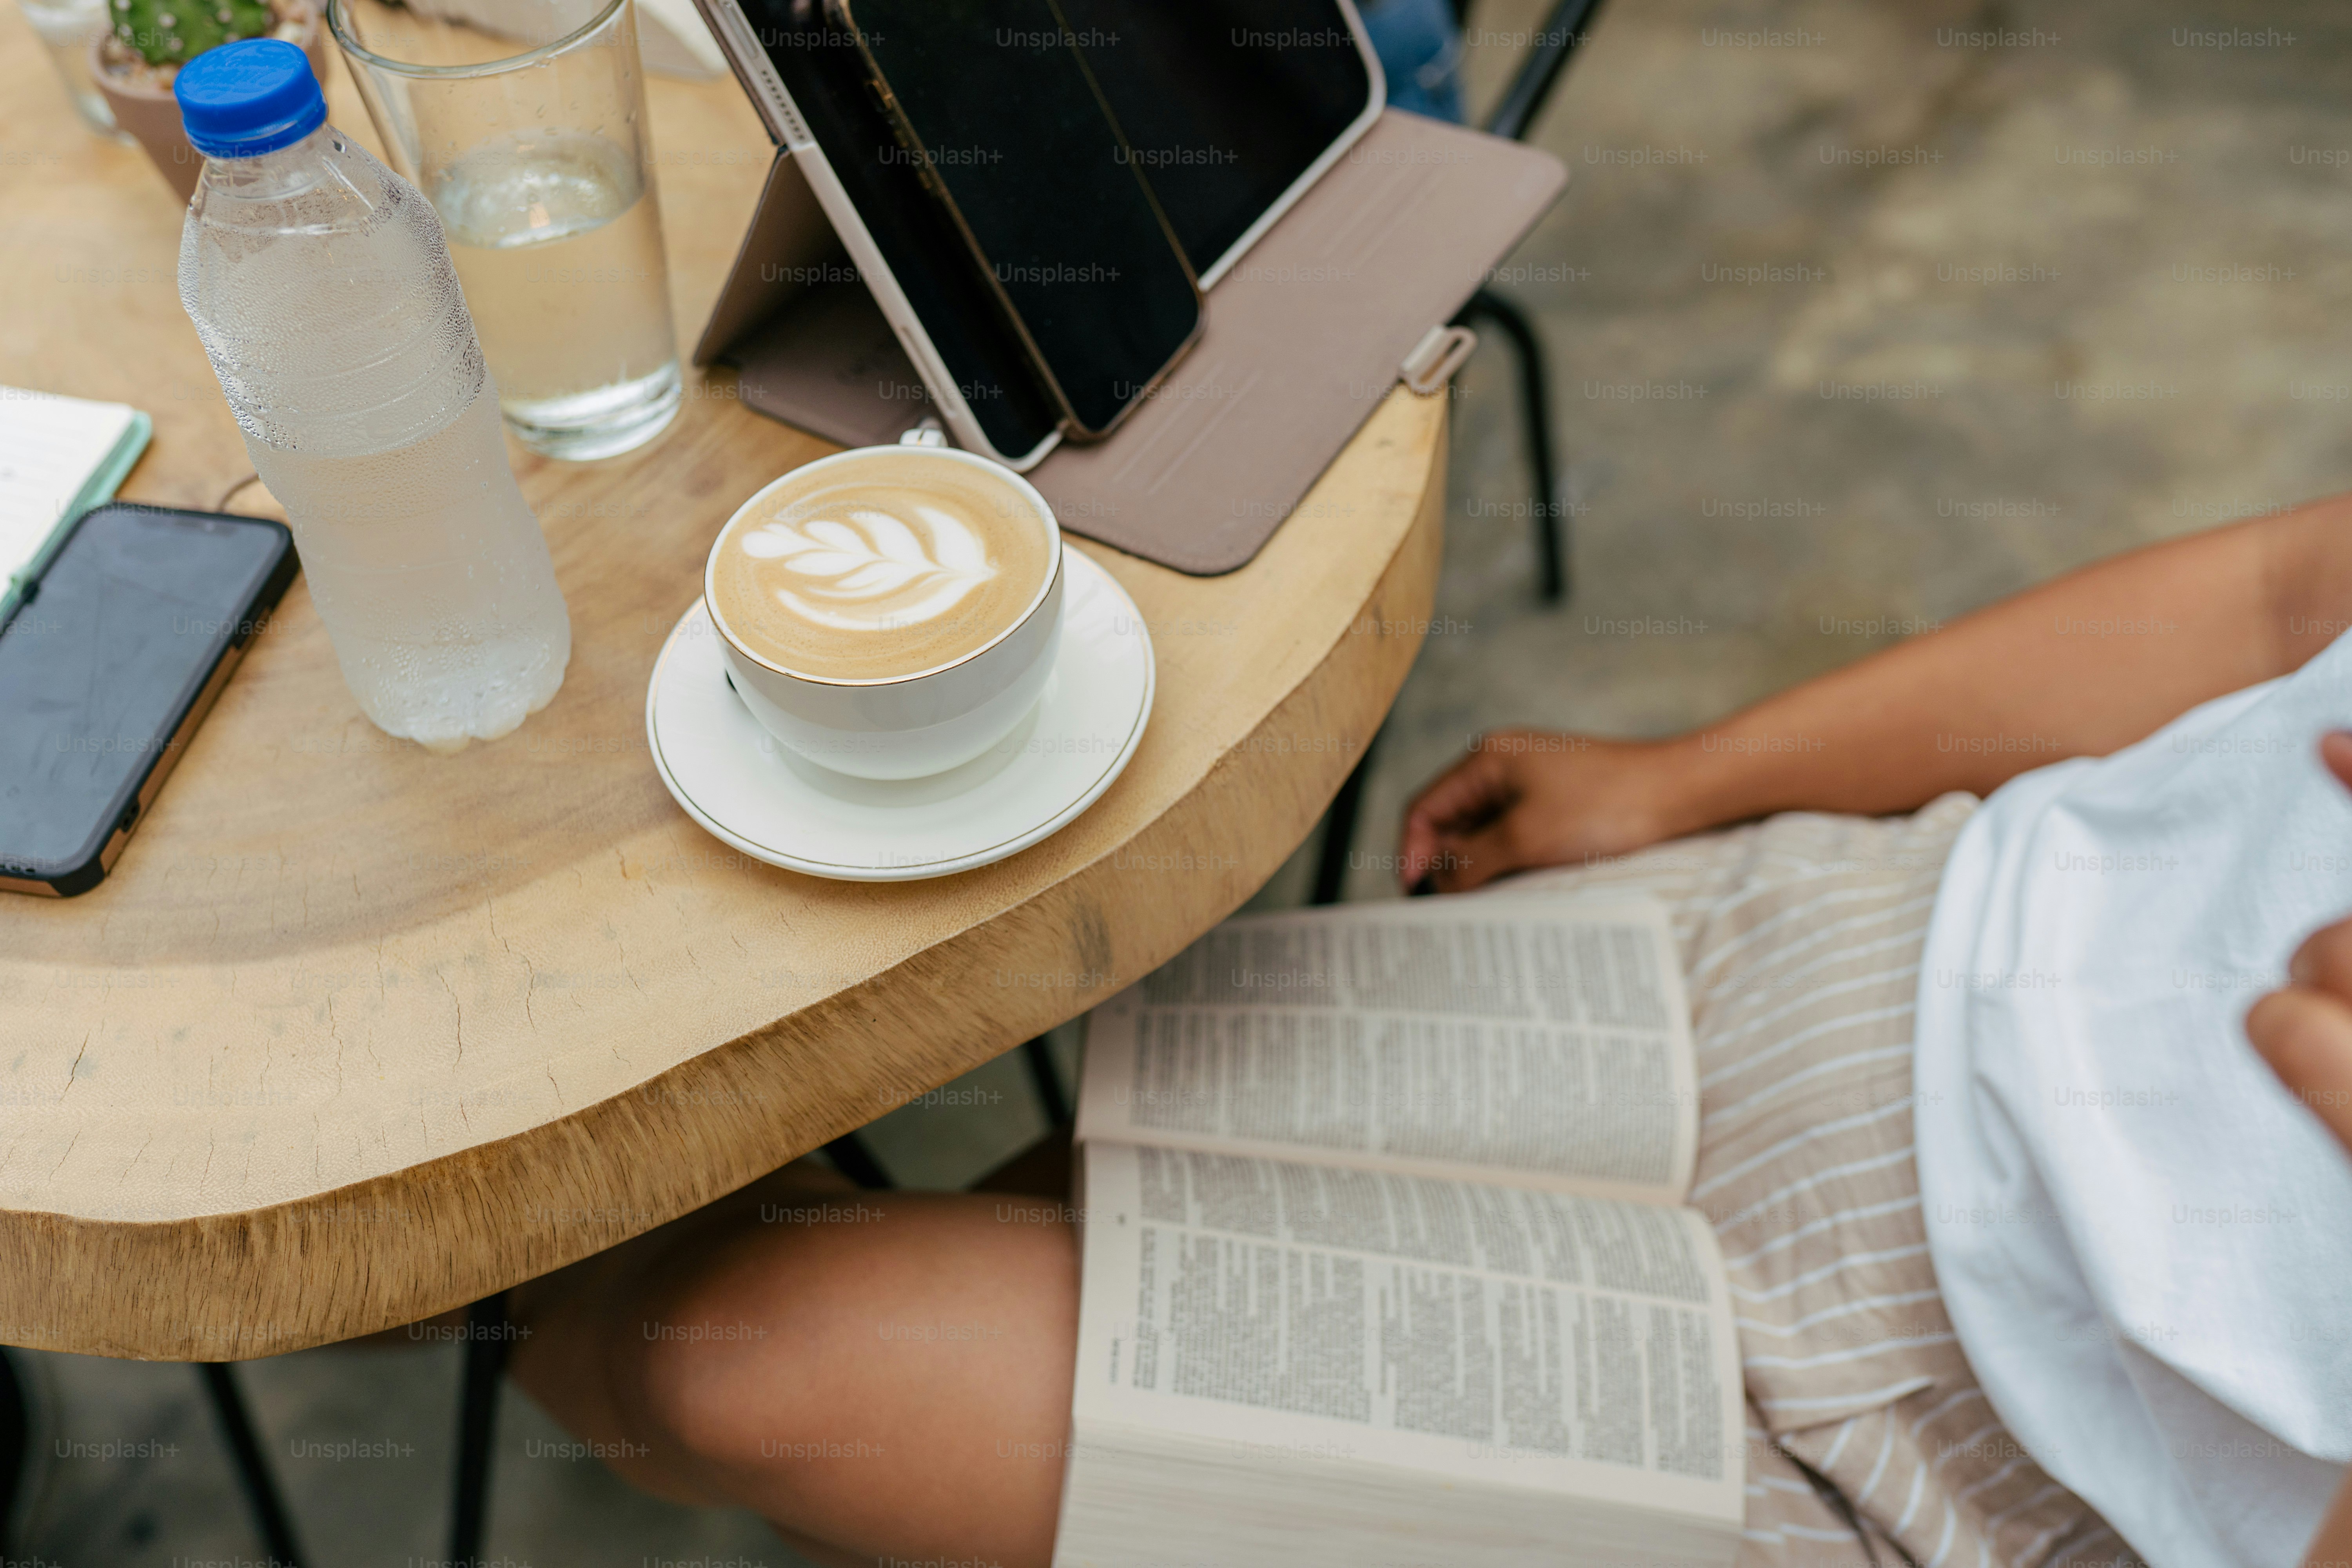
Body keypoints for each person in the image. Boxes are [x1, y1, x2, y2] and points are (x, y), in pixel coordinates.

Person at [508, 492, 2352, 1568]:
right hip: (1844, 952)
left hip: (1942, 1479)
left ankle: (472, 1295)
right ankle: (502, 1281)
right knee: (1040, 1192)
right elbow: (2290, 598)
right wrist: (1692, 780)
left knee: (743, 1359)